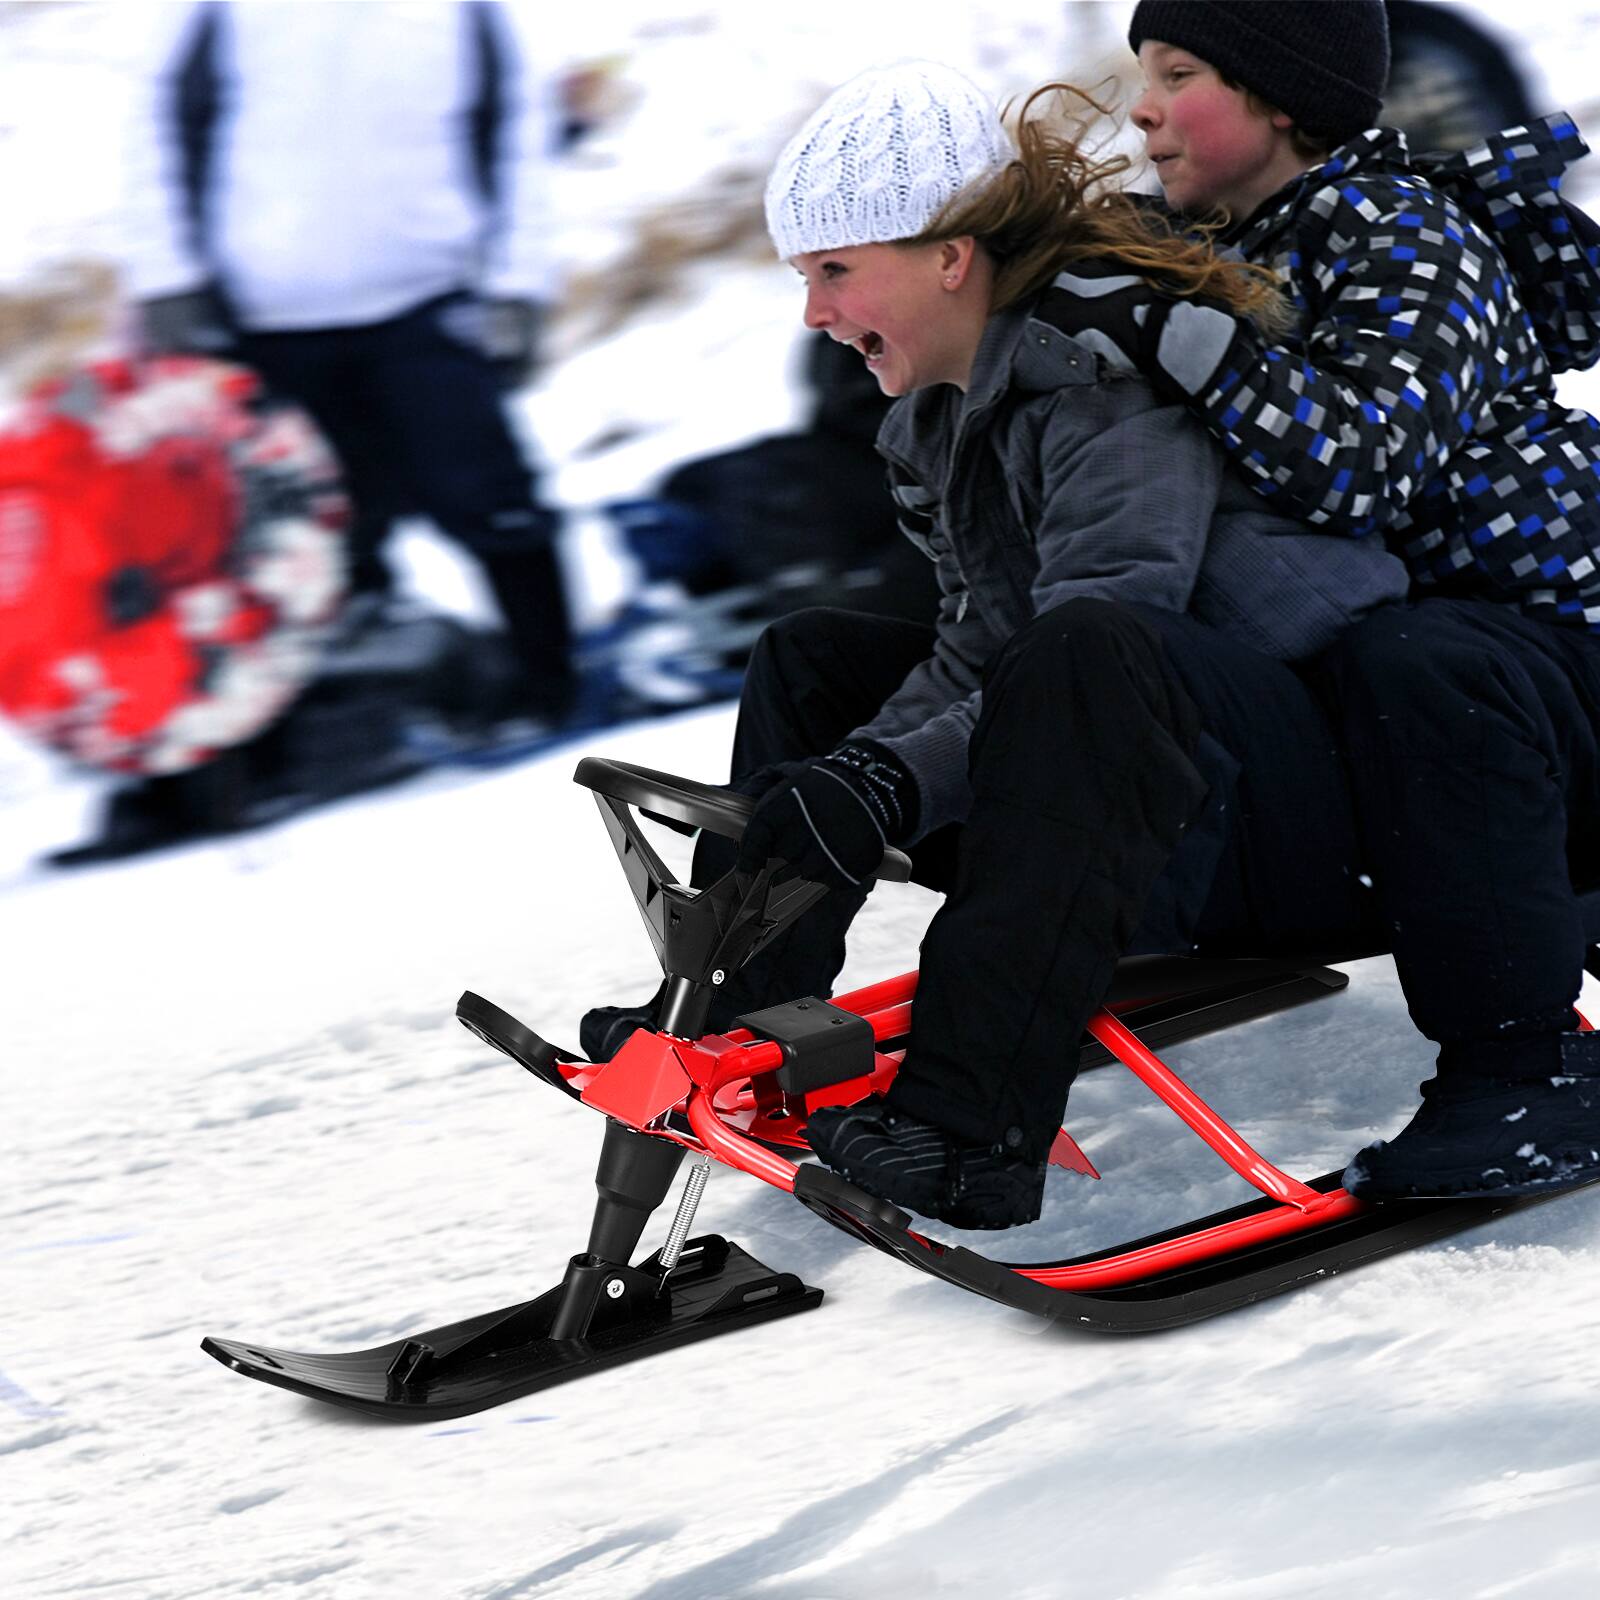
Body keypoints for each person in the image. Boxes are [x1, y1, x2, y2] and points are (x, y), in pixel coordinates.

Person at [583, 60, 1411, 1229]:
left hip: (1288, 827)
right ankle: (731, 1021)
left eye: (832, 272)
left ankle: (972, 1131)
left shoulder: (1101, 381)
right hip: (1139, 782)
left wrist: (888, 776)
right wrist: (858, 775)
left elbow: (1109, 639)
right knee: (809, 657)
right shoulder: (937, 411)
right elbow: (981, 644)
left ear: (948, 257)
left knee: (1080, 655)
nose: (812, 313)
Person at [1042, 0, 1600, 1200]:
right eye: (1140, 70)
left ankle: (1531, 1069)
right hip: (1411, 680)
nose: (1139, 105)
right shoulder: (1215, 242)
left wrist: (1177, 334)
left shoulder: (1404, 235)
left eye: (1177, 71)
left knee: (1414, 657)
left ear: (1279, 99)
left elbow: (1362, 464)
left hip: (1557, 659)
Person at [120, 0, 576, 724]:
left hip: (425, 305)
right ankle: (325, 724)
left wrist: (519, 287)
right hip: (266, 323)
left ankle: (551, 686)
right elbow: (158, 138)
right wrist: (167, 282)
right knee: (298, 544)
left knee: (495, 503)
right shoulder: (214, 12)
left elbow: (519, 139)